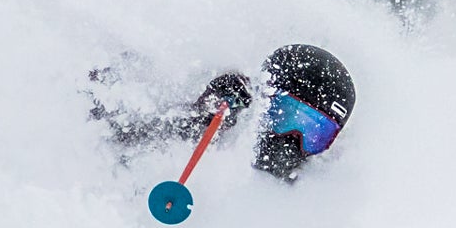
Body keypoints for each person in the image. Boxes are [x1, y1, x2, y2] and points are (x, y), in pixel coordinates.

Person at [89, 43, 356, 182]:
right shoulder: (226, 136)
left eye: (315, 134)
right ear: (261, 99)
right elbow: (114, 144)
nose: (292, 137)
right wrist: (201, 119)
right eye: (284, 115)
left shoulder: (317, 187)